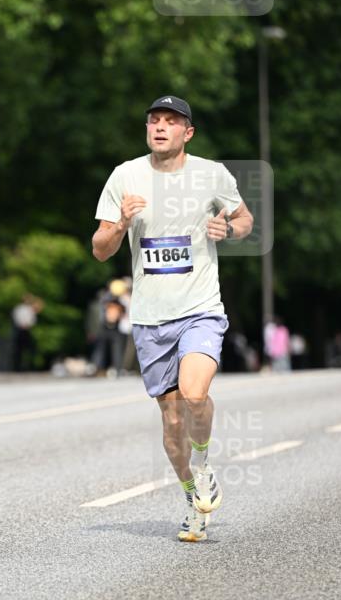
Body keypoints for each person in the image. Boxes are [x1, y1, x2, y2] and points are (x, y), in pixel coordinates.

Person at [92, 95, 254, 542]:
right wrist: (121, 223)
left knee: (194, 393)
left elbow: (244, 220)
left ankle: (202, 466)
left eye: (171, 121)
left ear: (188, 132)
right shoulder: (125, 176)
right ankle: (191, 496)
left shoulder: (210, 174)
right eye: (154, 120)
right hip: (149, 317)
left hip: (200, 308)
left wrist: (229, 231)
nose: (160, 127)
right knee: (172, 423)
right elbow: (100, 248)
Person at [11, 294, 43, 371]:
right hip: (19, 330)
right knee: (18, 350)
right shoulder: (19, 308)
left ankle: (28, 367)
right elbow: (16, 318)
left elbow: (33, 320)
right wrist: (23, 324)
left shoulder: (30, 309)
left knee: (30, 349)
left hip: (27, 330)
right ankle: (17, 368)